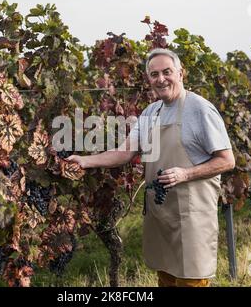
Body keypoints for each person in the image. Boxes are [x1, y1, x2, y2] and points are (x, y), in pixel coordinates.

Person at [67, 48, 235, 287]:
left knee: (191, 280)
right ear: (149, 80)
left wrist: (186, 173)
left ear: (180, 73)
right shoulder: (151, 112)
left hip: (192, 217)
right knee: (165, 277)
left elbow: (227, 160)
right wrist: (85, 160)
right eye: (154, 74)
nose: (161, 79)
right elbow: (125, 152)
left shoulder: (199, 109)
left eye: (167, 72)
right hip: (161, 213)